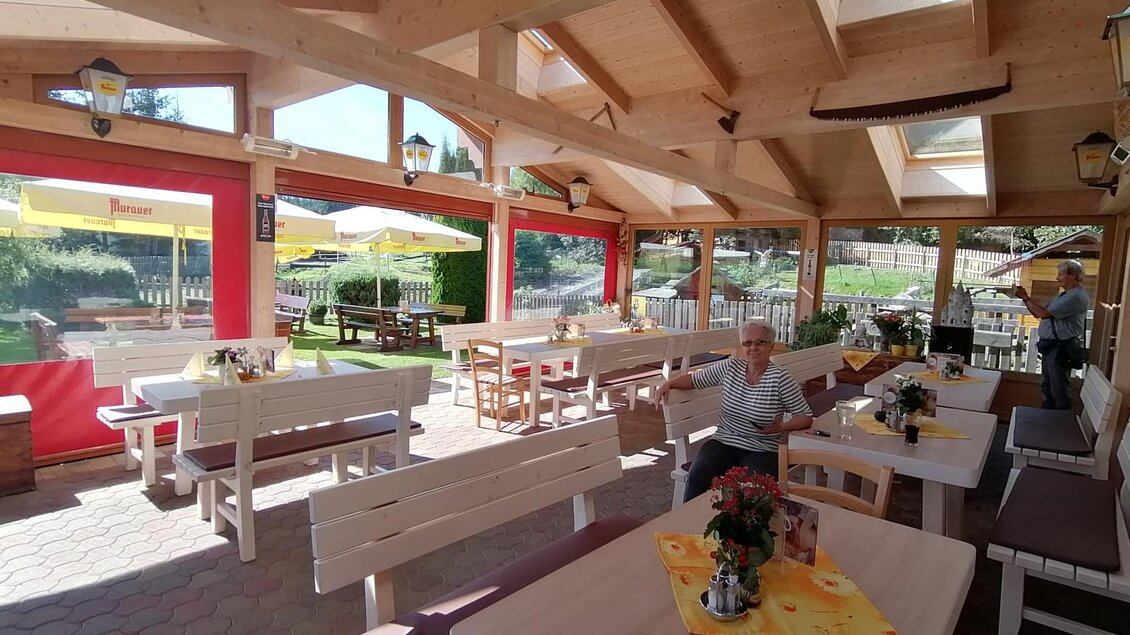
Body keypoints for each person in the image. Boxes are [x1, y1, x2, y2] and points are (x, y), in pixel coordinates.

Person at [656, 320, 813, 502]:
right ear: (742, 346)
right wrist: (669, 383)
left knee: (755, 493)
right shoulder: (731, 367)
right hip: (724, 441)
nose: (753, 348)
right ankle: (690, 525)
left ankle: (746, 529)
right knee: (698, 475)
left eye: (760, 342)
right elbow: (694, 380)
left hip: (762, 448)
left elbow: (805, 417)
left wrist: (781, 427)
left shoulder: (781, 378)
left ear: (771, 346)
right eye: (747, 343)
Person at [1015, 259, 1089, 410]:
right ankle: (1048, 419)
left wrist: (1025, 297)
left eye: (1061, 274)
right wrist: (1026, 298)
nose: (1057, 278)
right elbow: (1040, 312)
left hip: (1060, 347)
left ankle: (1060, 424)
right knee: (1048, 387)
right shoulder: (1065, 295)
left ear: (1073, 275)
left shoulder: (1075, 297)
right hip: (1053, 347)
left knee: (1058, 390)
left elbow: (1042, 313)